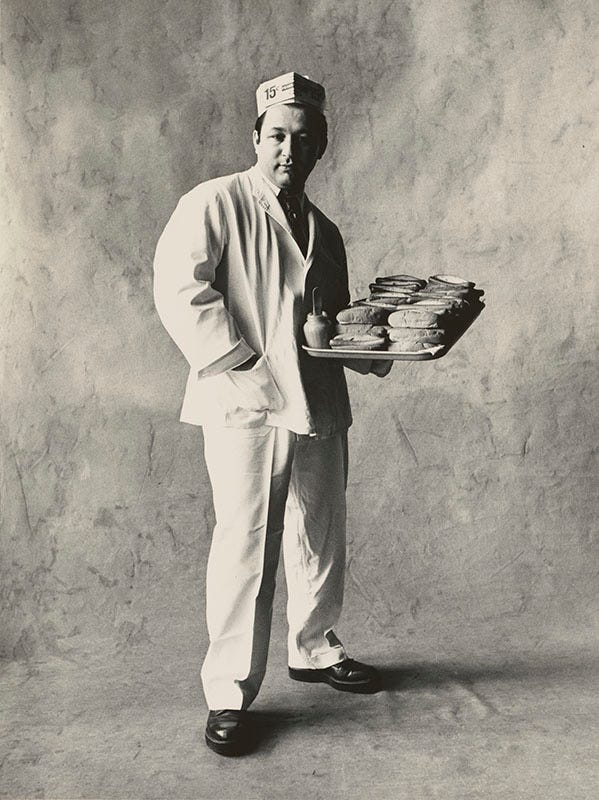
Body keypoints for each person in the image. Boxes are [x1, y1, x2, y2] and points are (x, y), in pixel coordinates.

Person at [153, 72, 391, 757]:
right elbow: (179, 289)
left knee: (321, 529)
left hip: (317, 400)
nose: (291, 149)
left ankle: (313, 646)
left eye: (304, 138)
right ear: (256, 138)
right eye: (278, 135)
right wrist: (242, 363)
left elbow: (328, 323)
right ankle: (228, 690)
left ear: (321, 148)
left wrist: (376, 350)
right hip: (246, 404)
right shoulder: (215, 202)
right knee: (248, 542)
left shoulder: (326, 231)